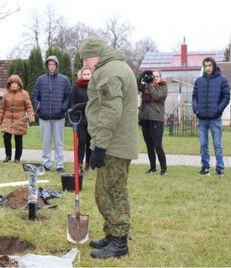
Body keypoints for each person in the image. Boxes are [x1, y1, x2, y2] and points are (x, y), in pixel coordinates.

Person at [79, 37, 138, 259]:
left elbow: (112, 112)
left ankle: (119, 242)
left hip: (114, 144)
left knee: (111, 192)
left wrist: (100, 147)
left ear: (95, 54)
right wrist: (86, 107)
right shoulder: (114, 66)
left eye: (86, 59)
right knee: (106, 190)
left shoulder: (109, 71)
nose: (86, 64)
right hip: (114, 141)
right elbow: (106, 104)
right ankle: (112, 235)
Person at [31, 55, 72, 172]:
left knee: (59, 142)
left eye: (54, 64)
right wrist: (39, 107)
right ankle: (46, 164)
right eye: (50, 64)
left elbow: (69, 96)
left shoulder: (64, 80)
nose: (52, 67)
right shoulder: (41, 80)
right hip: (44, 117)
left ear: (57, 66)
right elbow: (34, 96)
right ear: (47, 66)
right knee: (46, 142)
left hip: (59, 116)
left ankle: (59, 164)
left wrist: (63, 107)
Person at [192, 57, 230, 177]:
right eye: (206, 66)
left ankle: (220, 168)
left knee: (217, 144)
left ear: (213, 66)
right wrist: (196, 109)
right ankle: (205, 168)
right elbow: (194, 97)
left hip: (215, 118)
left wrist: (218, 110)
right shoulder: (199, 81)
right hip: (202, 118)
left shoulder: (222, 80)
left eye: (209, 65)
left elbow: (226, 97)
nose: (208, 68)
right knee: (203, 145)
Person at [0, 75, 35, 163]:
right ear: (9, 84)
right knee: (6, 138)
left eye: (15, 83)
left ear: (19, 84)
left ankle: (17, 158)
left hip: (19, 120)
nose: (13, 85)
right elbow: (2, 109)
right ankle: (8, 155)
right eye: (12, 83)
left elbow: (29, 107)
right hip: (7, 119)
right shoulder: (6, 94)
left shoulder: (25, 94)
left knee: (18, 140)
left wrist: (31, 118)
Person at [137, 70, 168, 175]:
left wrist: (150, 83)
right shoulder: (146, 87)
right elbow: (136, 84)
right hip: (145, 118)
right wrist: (143, 74)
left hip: (156, 119)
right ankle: (153, 168)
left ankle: (163, 168)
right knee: (149, 145)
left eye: (156, 76)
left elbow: (156, 96)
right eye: (152, 76)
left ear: (160, 77)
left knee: (157, 145)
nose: (154, 78)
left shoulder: (163, 87)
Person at [70, 66, 92, 173]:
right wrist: (74, 117)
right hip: (80, 119)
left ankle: (88, 164)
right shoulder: (76, 87)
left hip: (92, 119)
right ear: (81, 75)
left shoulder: (94, 87)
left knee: (90, 142)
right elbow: (72, 103)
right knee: (82, 141)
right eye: (85, 74)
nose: (86, 76)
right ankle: (79, 164)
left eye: (88, 74)